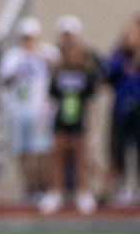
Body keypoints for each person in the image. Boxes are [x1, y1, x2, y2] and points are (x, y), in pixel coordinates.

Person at [0, 17, 58, 205]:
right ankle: (29, 189)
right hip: (17, 110)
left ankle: (43, 188)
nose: (28, 41)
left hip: (39, 110)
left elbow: (58, 68)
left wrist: (37, 55)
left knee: (40, 151)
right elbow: (5, 80)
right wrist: (19, 67)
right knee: (22, 152)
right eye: (25, 37)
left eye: (31, 37)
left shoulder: (46, 52)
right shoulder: (12, 56)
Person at [40, 39, 98, 215]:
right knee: (57, 158)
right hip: (61, 120)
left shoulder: (85, 75)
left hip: (78, 121)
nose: (73, 56)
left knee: (80, 158)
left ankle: (83, 193)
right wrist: (43, 121)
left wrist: (92, 123)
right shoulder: (58, 75)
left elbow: (90, 102)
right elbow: (51, 99)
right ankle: (55, 193)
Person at [105, 22, 140, 206]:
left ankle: (137, 187)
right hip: (121, 109)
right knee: (119, 150)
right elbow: (107, 74)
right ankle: (123, 186)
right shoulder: (119, 55)